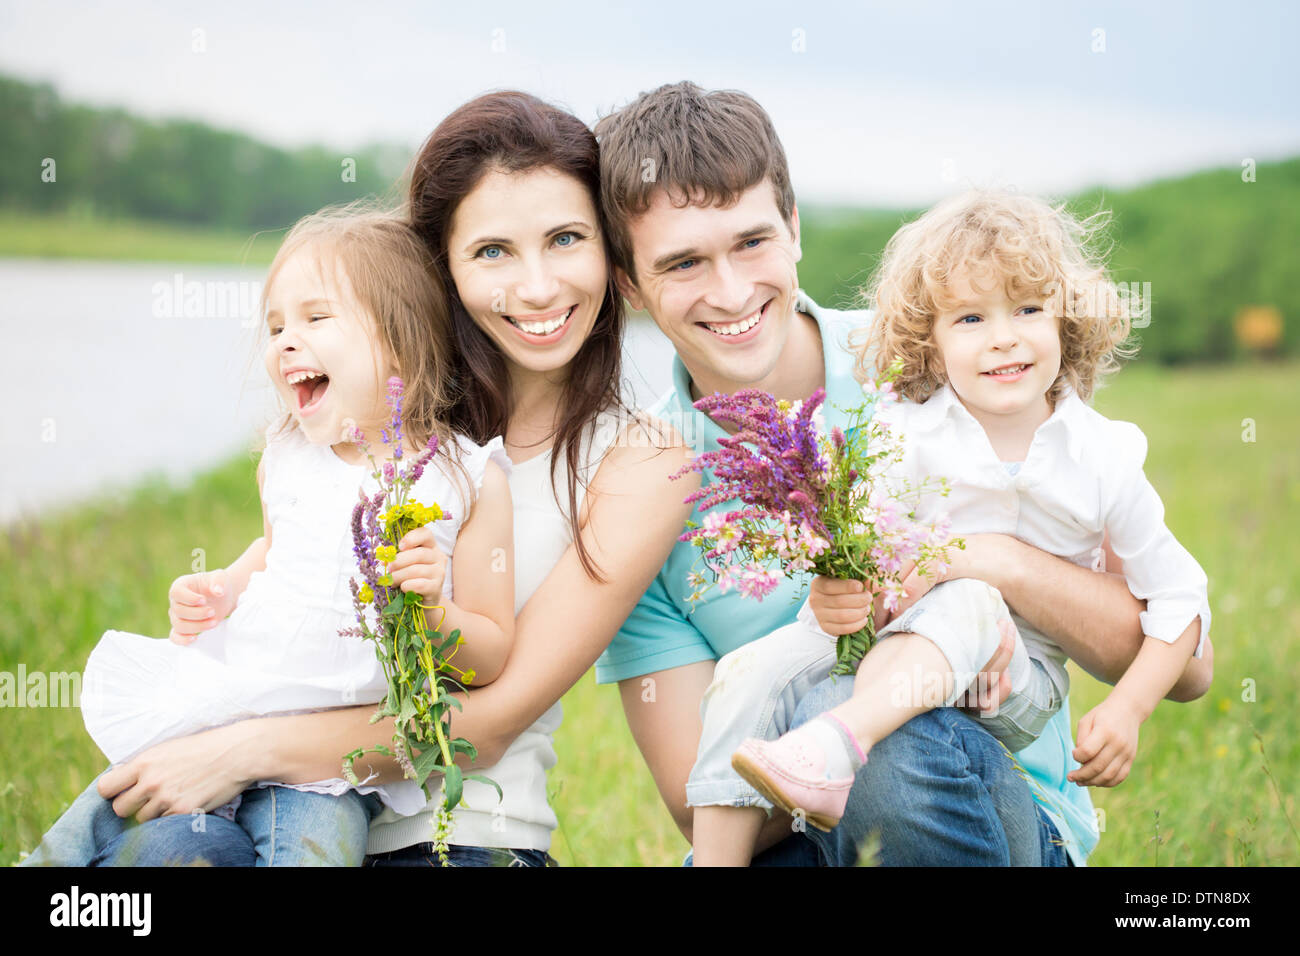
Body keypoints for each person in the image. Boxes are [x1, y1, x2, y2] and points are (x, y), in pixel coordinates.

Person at [52, 91, 697, 867]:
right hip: (252, 801)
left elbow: (483, 727)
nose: (534, 287)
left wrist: (242, 748)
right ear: (441, 268)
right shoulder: (372, 405)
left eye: (565, 238)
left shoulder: (640, 460)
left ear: (610, 252)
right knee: (154, 862)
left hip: (456, 840)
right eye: (492, 251)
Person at [590, 81, 1214, 866]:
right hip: (795, 838)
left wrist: (993, 563)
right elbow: (702, 801)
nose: (731, 290)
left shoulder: (941, 360)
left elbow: (1190, 664)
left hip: (979, 797)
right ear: (630, 286)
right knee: (826, 705)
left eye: (751, 242)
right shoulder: (639, 491)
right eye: (683, 262)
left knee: (889, 741)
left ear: (793, 228)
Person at [23, 207, 515, 866]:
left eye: (315, 319)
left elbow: (492, 655)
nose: (284, 341)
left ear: (400, 338)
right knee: (101, 815)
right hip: (223, 710)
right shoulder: (286, 455)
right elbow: (278, 556)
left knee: (315, 854)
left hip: (329, 762)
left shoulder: (464, 478)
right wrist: (222, 588)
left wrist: (433, 612)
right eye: (276, 325)